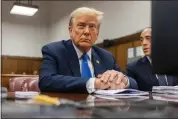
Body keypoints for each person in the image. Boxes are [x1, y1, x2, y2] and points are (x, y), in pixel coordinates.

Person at [39, 7, 138, 93]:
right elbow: (46, 81)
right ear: (70, 30)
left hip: (100, 111)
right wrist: (94, 83)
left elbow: (133, 83)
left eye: (92, 27)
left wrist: (123, 80)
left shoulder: (107, 57)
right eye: (81, 26)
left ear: (97, 33)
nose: (86, 32)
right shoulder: (54, 50)